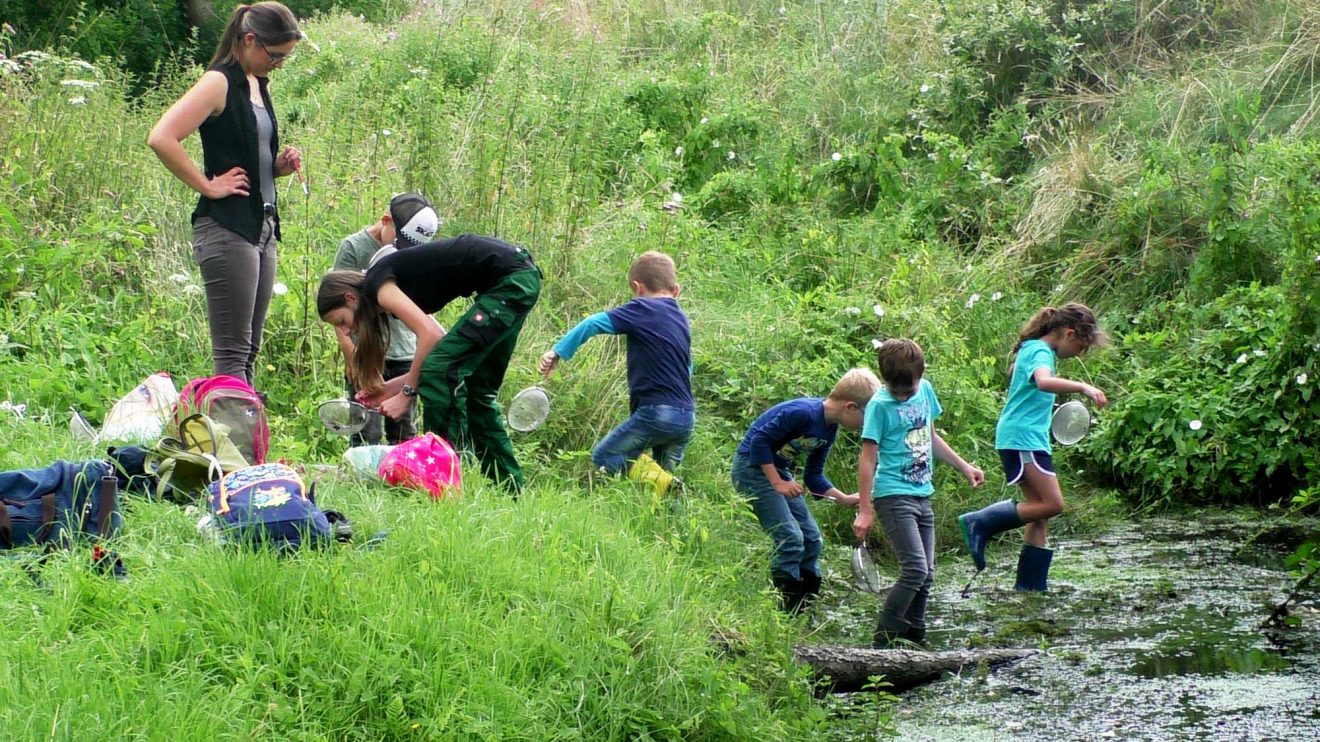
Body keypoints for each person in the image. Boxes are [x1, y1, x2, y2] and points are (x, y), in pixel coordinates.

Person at [148, 2, 303, 388]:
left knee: (250, 351)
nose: (280, 64)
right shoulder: (218, 81)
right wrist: (207, 184)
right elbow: (161, 137)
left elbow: (244, 152)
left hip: (262, 227)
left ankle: (246, 442)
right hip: (227, 228)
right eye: (276, 55)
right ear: (250, 40)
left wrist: (276, 167)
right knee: (233, 354)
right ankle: (237, 447)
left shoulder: (257, 83)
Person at [317, 235, 541, 493]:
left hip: (509, 283)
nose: (345, 330)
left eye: (341, 321)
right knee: (477, 392)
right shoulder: (385, 292)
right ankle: (509, 488)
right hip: (518, 279)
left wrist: (407, 395)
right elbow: (439, 345)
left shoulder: (377, 286)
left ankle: (443, 480)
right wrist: (389, 389)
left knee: (441, 371)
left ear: (350, 298)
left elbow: (432, 340)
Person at [957, 303, 1109, 591]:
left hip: (1026, 438)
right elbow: (1042, 382)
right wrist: (1083, 387)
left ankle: (1030, 586)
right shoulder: (1040, 351)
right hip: (1022, 440)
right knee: (1053, 504)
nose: (1080, 354)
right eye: (1081, 346)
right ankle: (980, 522)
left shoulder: (1035, 350)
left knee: (1039, 514)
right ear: (1068, 332)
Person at [852, 340, 984, 648]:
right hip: (893, 494)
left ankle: (915, 640)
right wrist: (865, 508)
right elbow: (868, 458)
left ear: (922, 373)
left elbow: (931, 436)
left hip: (922, 492)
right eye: (896, 391)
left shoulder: (925, 390)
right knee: (915, 569)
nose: (902, 396)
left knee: (927, 574)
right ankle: (881, 645)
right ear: (884, 380)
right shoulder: (879, 406)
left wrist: (965, 467)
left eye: (907, 391)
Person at [538, 252, 693, 496]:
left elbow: (592, 323)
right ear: (676, 290)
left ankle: (667, 484)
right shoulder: (681, 319)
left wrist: (558, 351)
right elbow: (687, 367)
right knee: (663, 483)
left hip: (657, 412)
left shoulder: (642, 307)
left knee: (605, 455)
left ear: (636, 287)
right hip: (686, 415)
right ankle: (671, 516)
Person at [733, 368, 881, 615]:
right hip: (752, 470)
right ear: (851, 407)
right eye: (868, 418)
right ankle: (785, 612)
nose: (868, 425)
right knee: (790, 538)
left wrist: (843, 498)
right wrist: (777, 483)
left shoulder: (829, 429)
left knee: (812, 539)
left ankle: (804, 609)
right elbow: (759, 441)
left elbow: (814, 477)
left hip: (780, 473)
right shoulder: (803, 413)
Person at [331, 193, 440, 445]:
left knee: (402, 429)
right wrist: (350, 353)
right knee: (365, 426)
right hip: (368, 352)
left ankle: (402, 477)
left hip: (405, 352)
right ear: (386, 220)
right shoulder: (354, 248)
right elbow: (338, 306)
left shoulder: (415, 251)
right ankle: (363, 479)